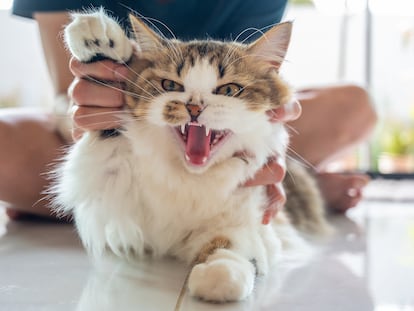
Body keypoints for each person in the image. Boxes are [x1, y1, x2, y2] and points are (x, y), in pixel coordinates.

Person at [2, 0, 376, 221]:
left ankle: (68, 207)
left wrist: (267, 130)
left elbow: (254, 74)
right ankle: (297, 193)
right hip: (113, 129)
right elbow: (63, 96)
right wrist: (95, 119)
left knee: (353, 106)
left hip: (215, 138)